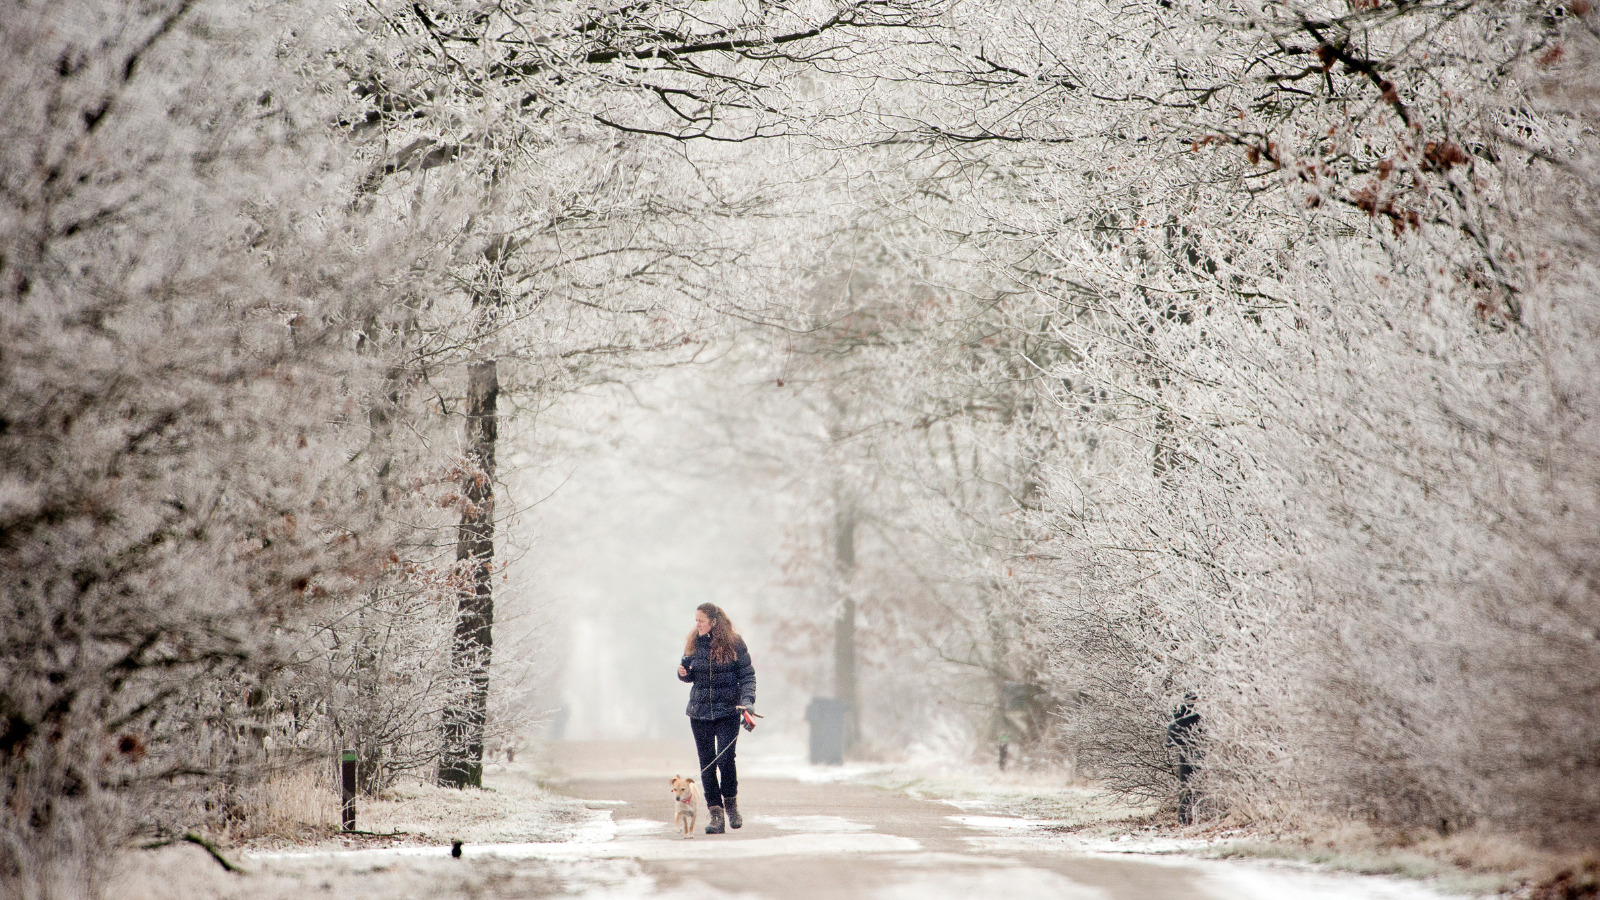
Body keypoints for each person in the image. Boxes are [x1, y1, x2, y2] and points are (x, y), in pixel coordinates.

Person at [677, 602, 756, 834]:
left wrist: (748, 702)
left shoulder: (734, 642)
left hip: (727, 711)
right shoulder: (694, 642)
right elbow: (688, 671)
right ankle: (716, 815)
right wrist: (684, 673)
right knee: (707, 765)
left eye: (701, 620)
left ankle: (731, 804)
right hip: (699, 712)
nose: (697, 624)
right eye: (696, 620)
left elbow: (747, 675)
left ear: (713, 621)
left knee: (725, 758)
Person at [1166, 693, 1203, 825]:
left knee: (1186, 780)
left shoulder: (1181, 697)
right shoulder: (1195, 697)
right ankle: (1191, 816)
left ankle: (1185, 817)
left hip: (1183, 738)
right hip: (1193, 738)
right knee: (1194, 778)